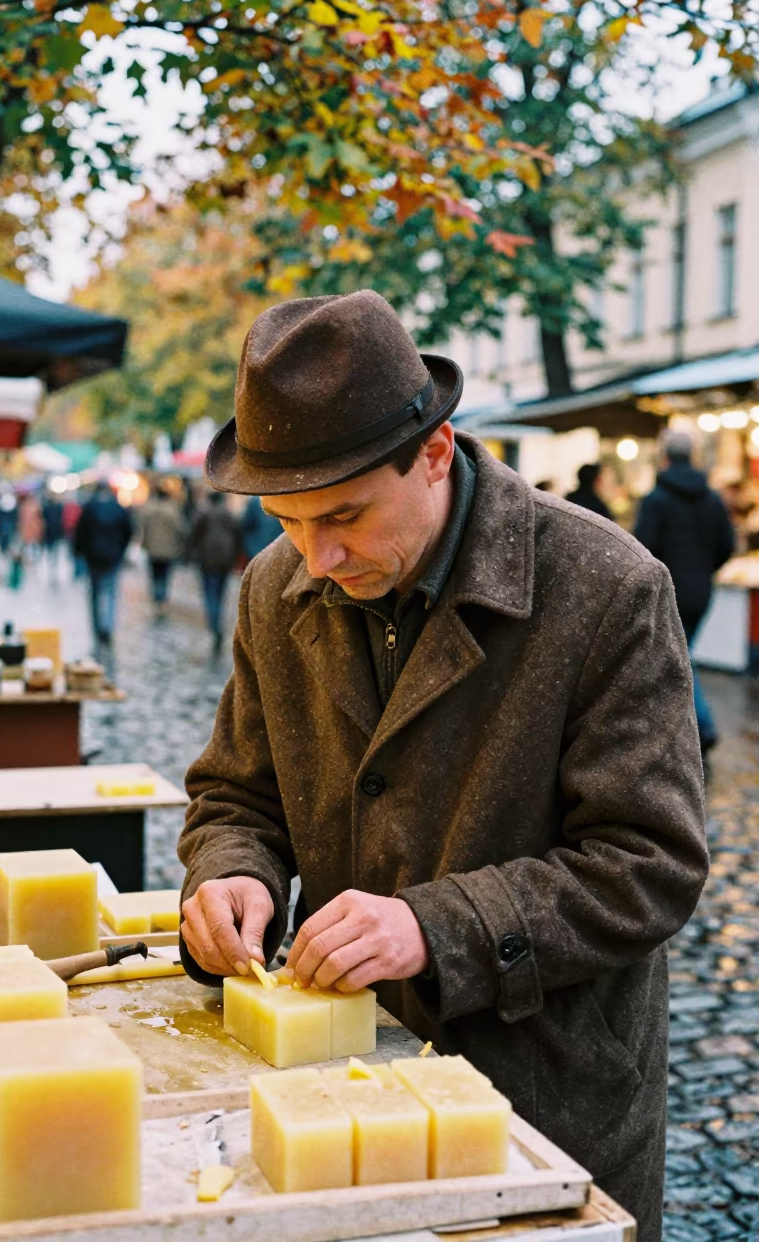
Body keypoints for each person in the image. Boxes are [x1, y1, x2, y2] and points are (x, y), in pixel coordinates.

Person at [176, 290, 707, 1242]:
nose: (319, 555)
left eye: (343, 515)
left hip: (544, 1099)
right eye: (289, 521)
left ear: (434, 451)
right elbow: (234, 793)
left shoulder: (611, 588)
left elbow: (649, 866)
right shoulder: (273, 584)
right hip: (339, 1089)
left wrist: (436, 926)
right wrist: (230, 872)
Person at [634, 430, 734, 754]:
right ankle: (675, 728)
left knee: (679, 657)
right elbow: (727, 545)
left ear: (665, 457)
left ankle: (701, 726)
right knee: (680, 654)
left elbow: (640, 549)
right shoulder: (713, 498)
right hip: (702, 590)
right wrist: (705, 570)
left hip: (668, 588)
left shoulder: (656, 499)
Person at [73, 479, 133, 646]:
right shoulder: (118, 508)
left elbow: (80, 532)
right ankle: (107, 625)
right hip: (113, 557)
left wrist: (78, 552)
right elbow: (128, 531)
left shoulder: (89, 507)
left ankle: (98, 625)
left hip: (93, 557)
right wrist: (121, 550)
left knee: (95, 592)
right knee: (111, 592)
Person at [188, 492, 242, 656]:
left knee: (210, 592)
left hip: (207, 559)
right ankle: (217, 622)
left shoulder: (203, 515)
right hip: (225, 560)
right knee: (220, 592)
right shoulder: (230, 515)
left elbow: (194, 536)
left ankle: (214, 625)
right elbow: (238, 537)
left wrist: (191, 554)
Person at [139, 484, 188, 618]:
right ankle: (162, 601)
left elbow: (143, 528)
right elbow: (181, 529)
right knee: (165, 576)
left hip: (152, 549)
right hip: (168, 550)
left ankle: (157, 599)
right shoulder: (172, 510)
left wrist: (144, 544)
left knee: (155, 576)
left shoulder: (148, 509)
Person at [240, 494, 281, 562]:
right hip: (262, 551)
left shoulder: (256, 500)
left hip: (259, 551)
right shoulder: (256, 500)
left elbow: (245, 526)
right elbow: (246, 526)